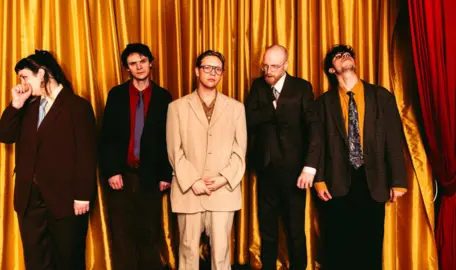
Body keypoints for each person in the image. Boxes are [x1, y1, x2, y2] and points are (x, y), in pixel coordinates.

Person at [0, 50, 97, 270]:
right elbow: (4, 135)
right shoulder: (27, 106)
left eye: (25, 77)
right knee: (35, 260)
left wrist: (82, 196)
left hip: (65, 199)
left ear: (41, 73)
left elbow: (86, 154)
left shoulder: (77, 106)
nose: (23, 84)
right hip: (29, 199)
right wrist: (16, 104)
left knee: (68, 259)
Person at [314, 44, 407, 270]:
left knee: (370, 244)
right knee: (337, 245)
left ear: (354, 61)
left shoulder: (381, 96)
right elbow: (317, 145)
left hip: (373, 180)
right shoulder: (323, 103)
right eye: (338, 56)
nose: (345, 57)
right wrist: (318, 179)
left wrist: (398, 181)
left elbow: (394, 140)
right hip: (336, 181)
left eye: (348, 54)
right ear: (331, 70)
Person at [166, 50, 247, 270]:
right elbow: (174, 150)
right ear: (196, 70)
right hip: (188, 189)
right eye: (207, 67)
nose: (212, 73)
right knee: (188, 250)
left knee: (221, 254)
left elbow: (240, 151)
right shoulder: (176, 107)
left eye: (217, 69)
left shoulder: (236, 108)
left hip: (223, 191)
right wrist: (194, 181)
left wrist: (223, 178)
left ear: (222, 74)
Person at [245, 45, 321, 270]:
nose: (268, 71)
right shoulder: (258, 86)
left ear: (286, 65)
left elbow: (313, 128)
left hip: (295, 172)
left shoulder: (302, 87)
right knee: (267, 231)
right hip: (266, 170)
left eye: (274, 66)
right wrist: (273, 107)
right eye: (265, 65)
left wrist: (310, 167)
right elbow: (247, 119)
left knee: (295, 230)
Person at [99, 43, 173, 270]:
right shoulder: (117, 94)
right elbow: (107, 136)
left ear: (151, 63)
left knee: (149, 231)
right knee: (122, 232)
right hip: (122, 174)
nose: (139, 67)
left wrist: (165, 174)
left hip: (151, 176)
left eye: (143, 61)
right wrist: (112, 170)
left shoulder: (163, 97)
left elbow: (167, 139)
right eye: (133, 63)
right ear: (126, 68)